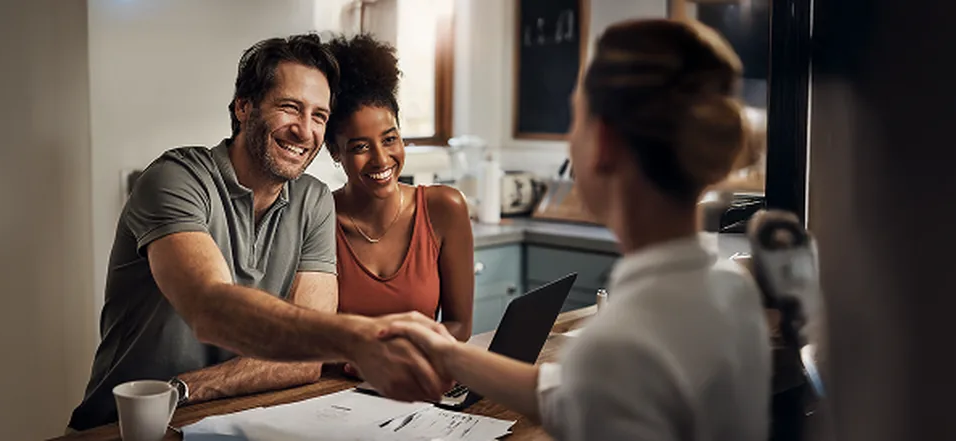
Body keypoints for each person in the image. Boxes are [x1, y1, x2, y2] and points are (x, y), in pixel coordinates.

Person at [383, 19, 771, 441]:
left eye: (575, 120)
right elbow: (571, 395)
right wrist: (448, 356)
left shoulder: (618, 346)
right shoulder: (733, 289)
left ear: (602, 143)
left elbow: (597, 384)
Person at [68, 34, 450, 432]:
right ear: (244, 107)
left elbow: (306, 357)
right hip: (121, 428)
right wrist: (358, 337)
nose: (305, 131)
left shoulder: (314, 201)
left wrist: (184, 388)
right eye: (290, 108)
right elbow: (210, 308)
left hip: (228, 422)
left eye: (319, 116)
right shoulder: (174, 179)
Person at [321, 35, 474, 352]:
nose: (381, 159)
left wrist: (402, 356)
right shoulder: (319, 218)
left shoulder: (444, 208)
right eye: (360, 147)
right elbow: (308, 333)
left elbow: (458, 325)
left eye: (390, 139)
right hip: (334, 390)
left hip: (414, 382)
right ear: (335, 151)